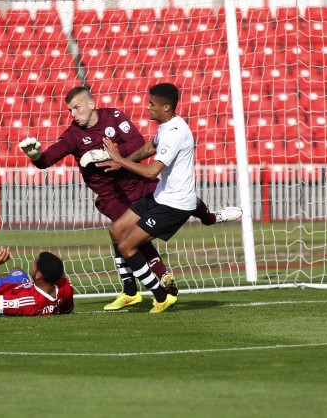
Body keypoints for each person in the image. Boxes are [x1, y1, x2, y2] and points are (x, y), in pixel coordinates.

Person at [18, 86, 227, 311]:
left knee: (167, 208)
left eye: (76, 108)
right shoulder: (73, 135)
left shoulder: (114, 117)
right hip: (112, 196)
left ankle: (208, 218)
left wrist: (107, 154)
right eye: (69, 110)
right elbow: (47, 159)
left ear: (91, 104)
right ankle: (148, 284)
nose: (73, 114)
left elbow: (138, 143)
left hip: (139, 183)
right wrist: (36, 156)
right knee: (125, 235)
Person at [99, 82, 242, 314]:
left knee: (127, 246)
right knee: (116, 231)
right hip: (161, 195)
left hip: (173, 205)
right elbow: (149, 148)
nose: (148, 108)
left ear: (166, 107)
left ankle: (161, 296)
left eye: (152, 104)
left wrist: (120, 159)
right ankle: (130, 292)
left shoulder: (175, 133)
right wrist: (123, 160)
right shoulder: (166, 127)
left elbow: (151, 171)